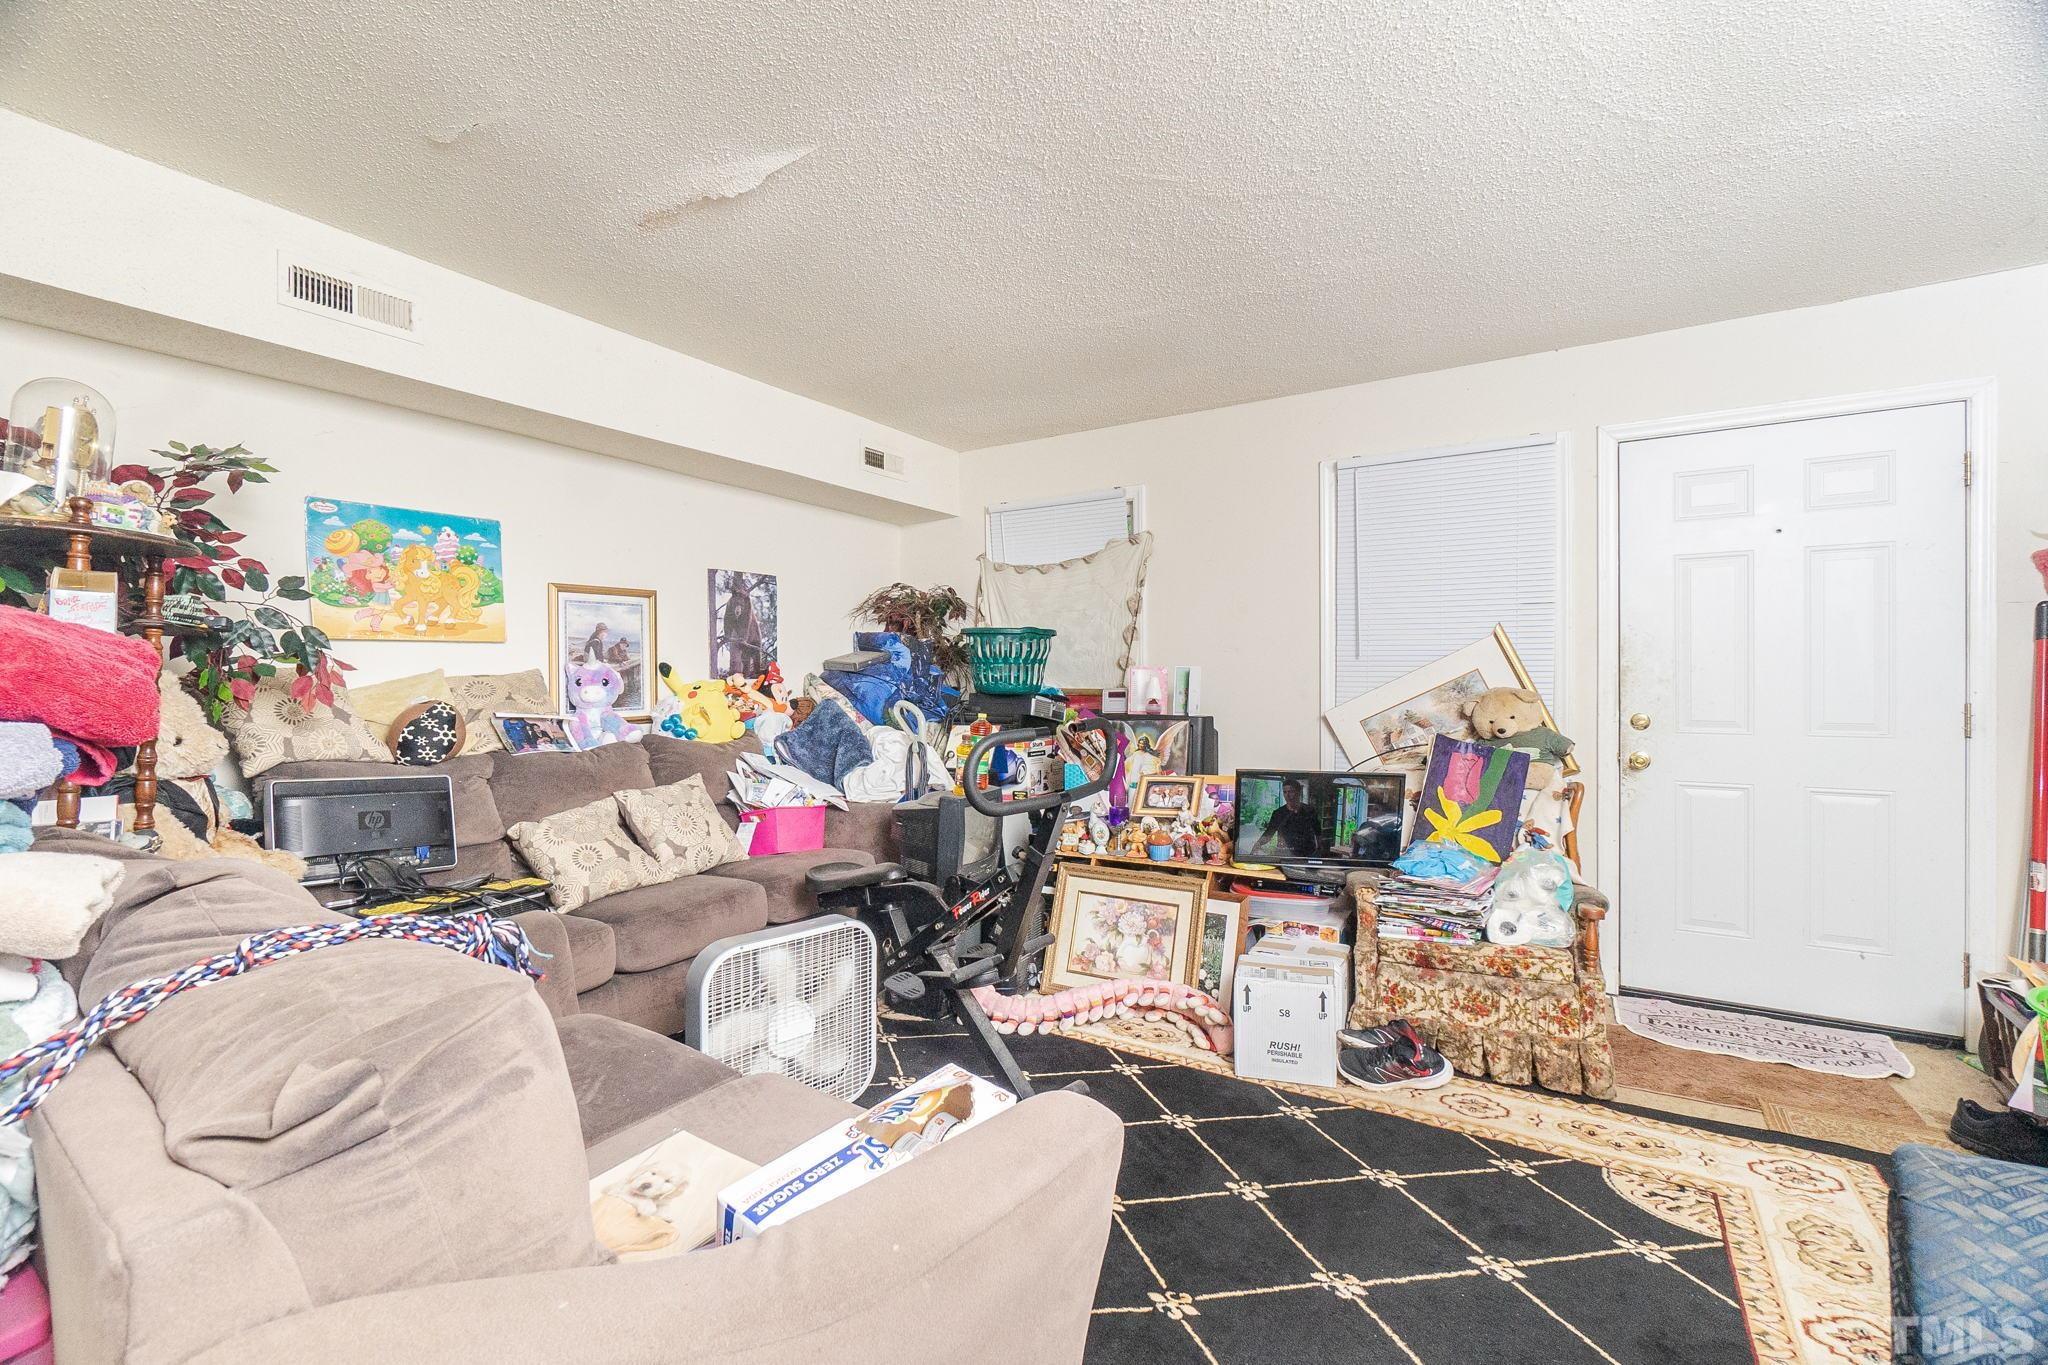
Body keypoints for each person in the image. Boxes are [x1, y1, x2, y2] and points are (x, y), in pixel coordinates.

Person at [1248, 779, 1321, 858]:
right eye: (1285, 792)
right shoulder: (1278, 813)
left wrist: (1319, 851)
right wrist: (1258, 844)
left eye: (1291, 791)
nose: (1287, 795)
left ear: (1299, 792)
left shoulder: (1310, 811)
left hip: (1307, 855)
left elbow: (1318, 832)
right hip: (1285, 855)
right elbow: (1269, 833)